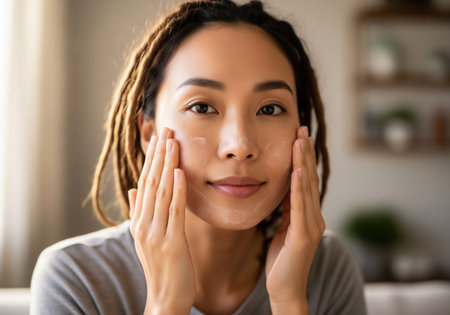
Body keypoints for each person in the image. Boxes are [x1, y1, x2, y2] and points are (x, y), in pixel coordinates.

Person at [30, 0, 367, 314]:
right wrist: (166, 302)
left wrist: (290, 299)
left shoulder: (328, 269)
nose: (240, 145)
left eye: (270, 108)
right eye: (201, 106)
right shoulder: (76, 278)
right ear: (148, 132)